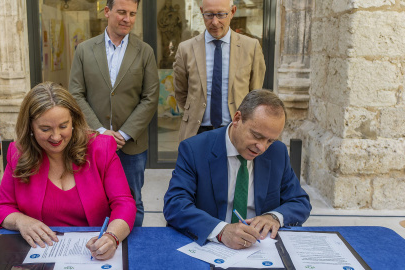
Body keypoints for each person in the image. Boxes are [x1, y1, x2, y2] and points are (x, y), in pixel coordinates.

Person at [0, 82, 136, 260]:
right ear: (30, 127)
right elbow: (2, 208)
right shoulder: (18, 154)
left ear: (74, 121)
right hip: (42, 253)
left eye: (63, 126)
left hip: (91, 253)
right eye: (45, 129)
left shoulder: (100, 148)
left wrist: (112, 236)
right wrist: (21, 221)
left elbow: (124, 203)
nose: (56, 137)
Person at [163, 90, 311, 249]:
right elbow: (175, 204)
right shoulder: (195, 149)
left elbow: (299, 201)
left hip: (260, 248)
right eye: (257, 136)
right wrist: (221, 231)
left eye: (270, 140)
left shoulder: (277, 152)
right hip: (210, 245)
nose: (262, 147)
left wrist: (273, 217)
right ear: (237, 119)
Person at [69, 0, 159, 227]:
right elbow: (76, 94)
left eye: (132, 13)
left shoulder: (145, 51)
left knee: (132, 200)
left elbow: (150, 97)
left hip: (131, 146)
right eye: (121, 12)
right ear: (107, 12)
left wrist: (125, 134)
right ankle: (99, 244)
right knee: (94, 199)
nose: (127, 18)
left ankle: (133, 251)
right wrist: (100, 132)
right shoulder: (84, 49)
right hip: (92, 142)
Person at [173, 0, 266, 141]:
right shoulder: (185, 49)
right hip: (197, 132)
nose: (215, 22)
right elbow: (181, 92)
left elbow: (255, 92)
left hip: (236, 131)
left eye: (221, 14)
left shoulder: (251, 47)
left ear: (233, 12)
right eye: (209, 15)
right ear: (201, 11)